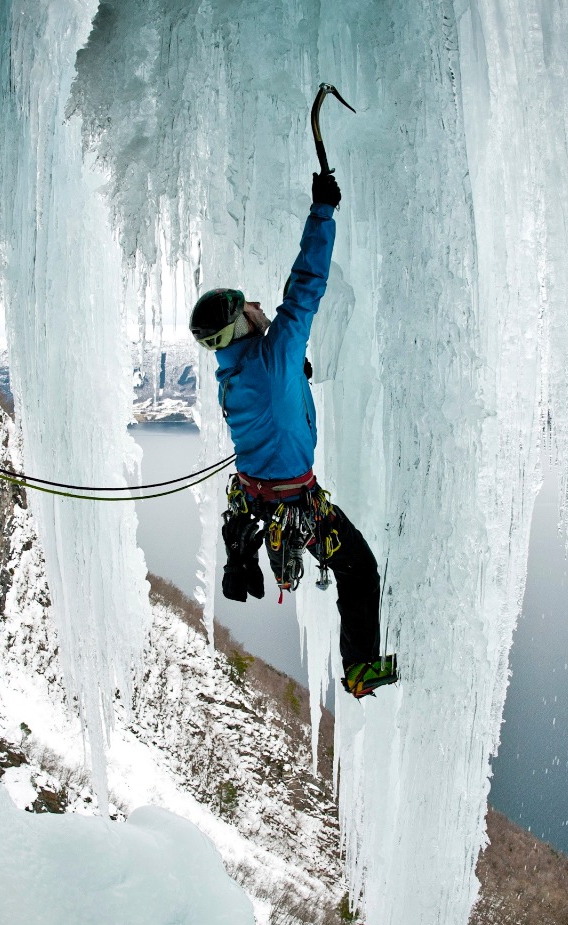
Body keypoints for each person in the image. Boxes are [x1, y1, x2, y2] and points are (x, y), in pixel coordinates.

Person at [189, 171, 398, 699]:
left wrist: (293, 377)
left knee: (346, 563)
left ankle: (251, 557)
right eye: (246, 307)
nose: (254, 306)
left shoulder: (230, 374)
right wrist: (322, 210)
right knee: (359, 569)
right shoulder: (274, 354)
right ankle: (360, 670)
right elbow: (304, 287)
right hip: (292, 500)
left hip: (257, 496)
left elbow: (272, 401)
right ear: (239, 324)